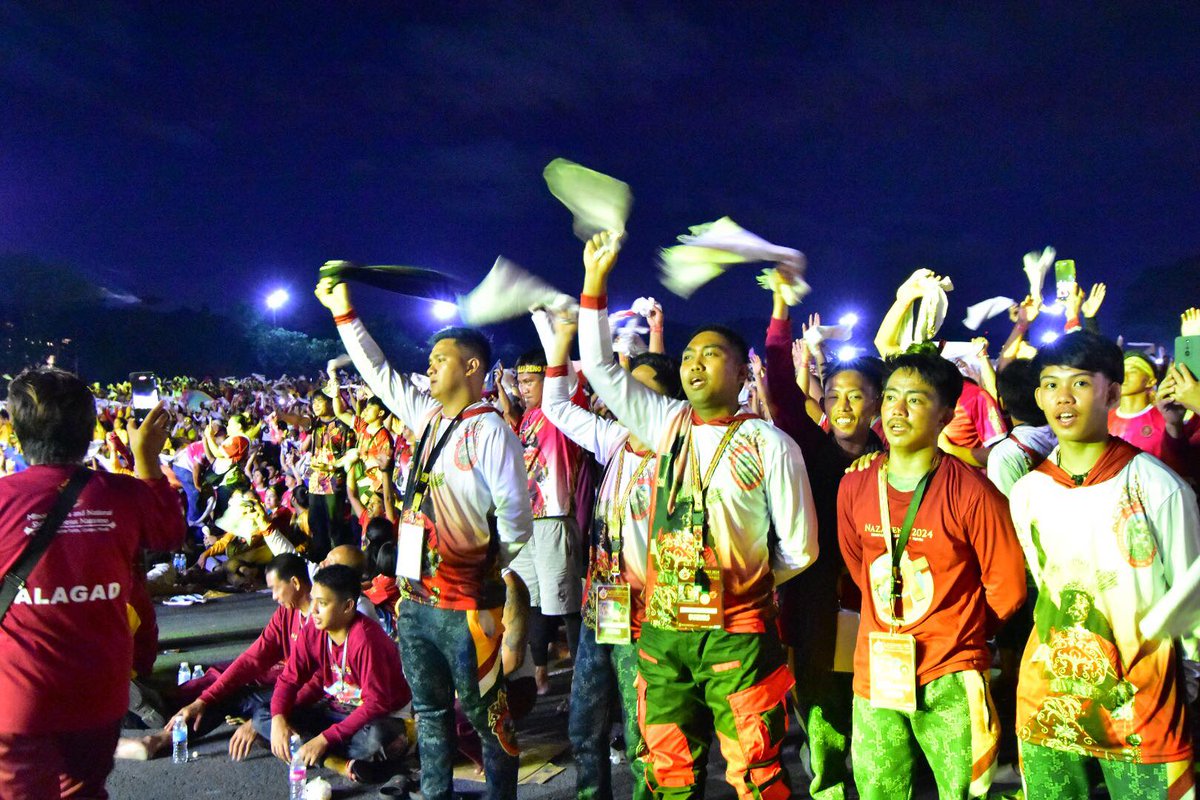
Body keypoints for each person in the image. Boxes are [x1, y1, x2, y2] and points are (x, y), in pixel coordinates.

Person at [578, 233, 817, 799]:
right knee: (668, 770)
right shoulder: (666, 425)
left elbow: (800, 548)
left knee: (755, 771)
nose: (692, 364)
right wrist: (595, 282)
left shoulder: (768, 443)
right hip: (663, 635)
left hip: (738, 635)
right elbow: (598, 368)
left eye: (711, 354)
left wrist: (740, 580)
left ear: (741, 375)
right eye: (687, 356)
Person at [316, 273, 532, 800]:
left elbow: (517, 521)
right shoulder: (431, 418)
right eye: (430, 358)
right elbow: (381, 375)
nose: (430, 365)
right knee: (430, 716)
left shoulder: (491, 431)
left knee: (486, 720)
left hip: (465, 608)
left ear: (473, 367)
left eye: (442, 357)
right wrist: (345, 313)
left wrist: (477, 565)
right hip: (415, 601)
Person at [1009, 331, 1200, 798]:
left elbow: (1191, 594)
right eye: (1051, 385)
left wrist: (1188, 684)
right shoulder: (1029, 492)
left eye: (1079, 383)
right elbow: (1044, 582)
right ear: (1038, 396)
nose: (1063, 398)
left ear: (1111, 392)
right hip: (1048, 699)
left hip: (1144, 702)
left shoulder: (1158, 486)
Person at [837, 348, 1027, 800]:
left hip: (951, 673)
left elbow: (1008, 585)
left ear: (946, 414)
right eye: (889, 397)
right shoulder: (854, 485)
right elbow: (858, 567)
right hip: (877, 670)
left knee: (963, 791)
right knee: (877, 790)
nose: (896, 410)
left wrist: (961, 633)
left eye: (916, 400)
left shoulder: (973, 491)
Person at [0, 367, 184, 799]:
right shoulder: (123, 494)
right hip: (99, 699)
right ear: (90, 430)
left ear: (16, 431)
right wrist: (148, 461)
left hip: (19, 701)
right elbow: (170, 534)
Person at [538, 315, 683, 800]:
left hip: (648, 618)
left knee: (646, 734)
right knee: (584, 723)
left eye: (638, 391)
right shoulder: (614, 441)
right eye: (623, 389)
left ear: (666, 403)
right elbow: (555, 405)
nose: (624, 401)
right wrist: (558, 347)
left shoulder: (679, 456)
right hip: (604, 607)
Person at [763, 286, 884, 800]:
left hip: (876, 600)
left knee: (876, 700)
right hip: (815, 598)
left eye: (856, 395)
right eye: (833, 396)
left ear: (878, 401)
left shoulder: (894, 457)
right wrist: (780, 307)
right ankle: (829, 785)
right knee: (819, 698)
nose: (843, 405)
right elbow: (781, 387)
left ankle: (879, 775)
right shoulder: (809, 446)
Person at [153, 554, 315, 761]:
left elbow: (317, 683)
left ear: (295, 583)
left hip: (314, 694)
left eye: (276, 588)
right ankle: (163, 735)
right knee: (220, 687)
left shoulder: (321, 617)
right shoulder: (286, 612)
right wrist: (202, 700)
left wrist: (259, 722)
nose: (273, 596)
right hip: (288, 682)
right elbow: (253, 658)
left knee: (256, 709)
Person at [267, 564, 411, 782]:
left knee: (377, 738)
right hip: (339, 710)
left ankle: (320, 754)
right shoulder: (313, 630)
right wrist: (278, 719)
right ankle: (344, 763)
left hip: (379, 717)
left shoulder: (366, 640)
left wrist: (324, 739)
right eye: (312, 599)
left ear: (347, 606)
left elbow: (376, 704)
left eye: (322, 603)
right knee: (271, 715)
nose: (313, 610)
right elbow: (289, 679)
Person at [508, 346, 586, 693]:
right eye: (520, 382)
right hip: (528, 521)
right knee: (533, 600)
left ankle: (583, 683)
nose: (523, 388)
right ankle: (539, 674)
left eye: (530, 381)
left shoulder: (562, 413)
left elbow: (568, 382)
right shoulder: (526, 419)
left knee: (566, 604)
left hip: (554, 518)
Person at [1107, 350, 1195, 480]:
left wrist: (1174, 426)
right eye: (1122, 369)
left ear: (1150, 381)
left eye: (1133, 370)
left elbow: (1179, 467)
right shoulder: (1103, 420)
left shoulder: (1166, 419)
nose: (1125, 375)